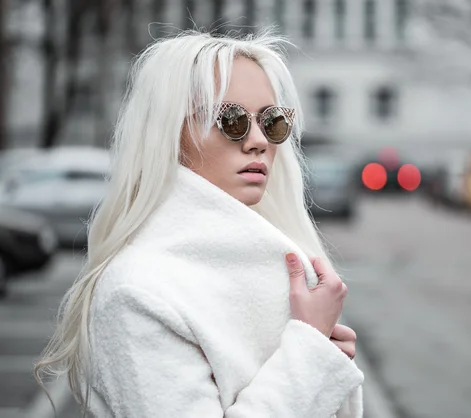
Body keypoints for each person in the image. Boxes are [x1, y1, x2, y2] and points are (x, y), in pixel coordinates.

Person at [34, 27, 364, 418]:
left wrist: (318, 358)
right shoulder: (139, 291)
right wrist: (308, 353)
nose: (258, 140)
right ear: (169, 134)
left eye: (273, 121)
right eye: (231, 119)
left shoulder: (277, 269)